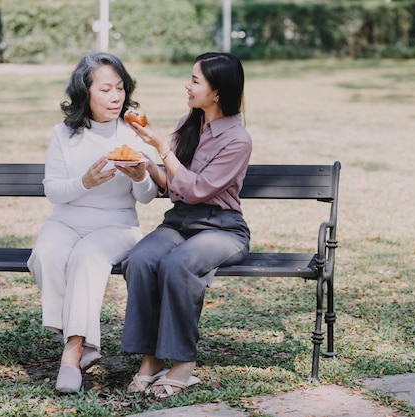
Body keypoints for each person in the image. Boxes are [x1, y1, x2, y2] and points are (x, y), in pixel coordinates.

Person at [121, 52, 252, 398]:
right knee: (140, 259)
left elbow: (196, 190)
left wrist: (162, 147)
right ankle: (150, 359)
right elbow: (171, 186)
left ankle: (182, 363)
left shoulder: (238, 139)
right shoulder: (188, 124)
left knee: (179, 265)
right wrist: (146, 167)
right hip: (180, 223)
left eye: (195, 80)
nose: (187, 85)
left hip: (222, 229)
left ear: (218, 92)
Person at [27, 51, 159, 394]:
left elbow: (146, 197)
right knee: (46, 254)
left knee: (87, 256)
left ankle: (71, 354)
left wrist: (142, 175)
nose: (115, 97)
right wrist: (85, 182)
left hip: (117, 227)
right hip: (67, 221)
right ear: (85, 92)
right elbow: (53, 190)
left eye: (120, 88)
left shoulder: (132, 133)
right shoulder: (64, 134)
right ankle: (85, 343)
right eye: (105, 89)